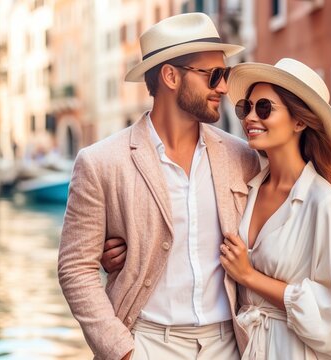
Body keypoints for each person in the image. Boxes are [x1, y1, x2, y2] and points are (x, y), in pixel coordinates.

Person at [58, 12, 260, 360]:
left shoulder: (242, 157)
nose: (223, 87)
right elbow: (75, 267)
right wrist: (122, 352)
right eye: (213, 75)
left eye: (224, 75)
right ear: (170, 76)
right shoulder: (100, 162)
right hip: (147, 344)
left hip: (229, 345)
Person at [218, 58, 331, 359]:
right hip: (244, 346)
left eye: (264, 108)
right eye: (247, 107)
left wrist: (250, 276)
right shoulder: (245, 189)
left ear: (299, 121)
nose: (249, 119)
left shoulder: (325, 204)